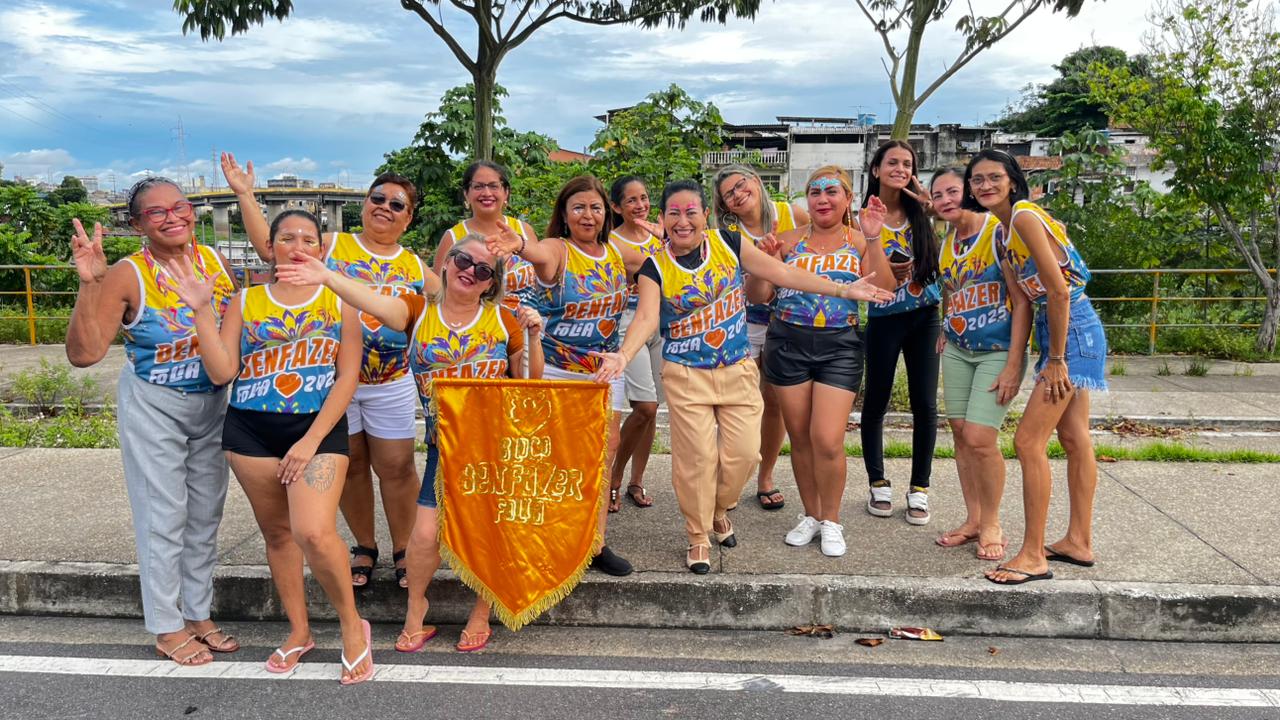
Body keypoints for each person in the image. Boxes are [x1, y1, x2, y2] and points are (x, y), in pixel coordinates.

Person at [593, 180, 894, 574]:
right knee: (696, 460)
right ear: (663, 220)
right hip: (686, 374)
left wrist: (842, 289)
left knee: (743, 455)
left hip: (736, 369)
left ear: (704, 215)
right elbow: (647, 317)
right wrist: (623, 354)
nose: (683, 221)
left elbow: (783, 273)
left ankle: (719, 510)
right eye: (673, 213)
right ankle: (698, 535)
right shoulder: (655, 266)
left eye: (691, 212)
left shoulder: (728, 244)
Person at [278, 232, 544, 654]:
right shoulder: (417, 310)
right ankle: (415, 611)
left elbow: (529, 384)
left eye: (482, 270)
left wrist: (533, 336)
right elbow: (372, 301)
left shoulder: (502, 319)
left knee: (491, 532)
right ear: (446, 262)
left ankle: (481, 612)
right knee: (423, 537)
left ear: (491, 283)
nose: (469, 272)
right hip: (445, 444)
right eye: (462, 260)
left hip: (496, 445)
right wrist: (328, 277)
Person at [165, 209, 373, 684]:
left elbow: (348, 377)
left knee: (315, 532)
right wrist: (201, 310)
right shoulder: (246, 301)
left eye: (308, 238)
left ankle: (351, 627)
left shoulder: (339, 301)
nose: (297, 245)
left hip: (316, 428)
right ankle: (299, 631)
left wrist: (311, 439)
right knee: (277, 535)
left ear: (321, 249)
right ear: (271, 246)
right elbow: (222, 372)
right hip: (250, 430)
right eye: (286, 237)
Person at [223, 153, 438, 591]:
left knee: (397, 468)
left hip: (389, 381)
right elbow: (273, 241)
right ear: (364, 203)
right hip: (331, 381)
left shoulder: (415, 265)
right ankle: (364, 545)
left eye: (397, 204)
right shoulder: (333, 245)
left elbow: (457, 295)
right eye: (377, 198)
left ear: (409, 217)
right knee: (352, 464)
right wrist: (245, 195)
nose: (385, 207)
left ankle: (402, 548)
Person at [66, 177, 240, 667]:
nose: (173, 218)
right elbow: (84, 354)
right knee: (164, 514)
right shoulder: (127, 274)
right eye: (157, 212)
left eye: (180, 207)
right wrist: (89, 283)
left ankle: (199, 613)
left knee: (206, 513)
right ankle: (167, 624)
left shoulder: (215, 262)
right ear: (137, 223)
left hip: (213, 402)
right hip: (155, 403)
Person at [961, 150, 1107, 585]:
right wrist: (1017, 362)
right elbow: (1023, 301)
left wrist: (1057, 359)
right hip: (1054, 327)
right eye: (977, 180)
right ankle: (1078, 541)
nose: (984, 186)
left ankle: (1032, 555)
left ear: (1012, 181)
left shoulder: (1024, 216)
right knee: (1075, 436)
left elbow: (1059, 292)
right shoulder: (1004, 234)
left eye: (993, 178)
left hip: (1072, 327)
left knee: (1028, 442)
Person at [487, 175, 639, 576]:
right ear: (564, 214)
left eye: (595, 207)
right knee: (550, 462)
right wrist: (518, 244)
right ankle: (547, 540)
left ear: (606, 211)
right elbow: (537, 252)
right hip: (555, 370)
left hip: (604, 370)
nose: (587, 215)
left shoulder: (616, 252)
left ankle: (595, 544)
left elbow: (662, 258)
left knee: (602, 457)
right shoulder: (558, 250)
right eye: (578, 207)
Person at [746, 166, 896, 557]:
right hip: (787, 343)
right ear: (806, 200)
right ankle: (811, 515)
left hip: (839, 346)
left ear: (847, 199)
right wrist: (765, 261)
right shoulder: (787, 240)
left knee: (827, 439)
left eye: (832, 192)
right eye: (815, 192)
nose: (823, 199)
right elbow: (759, 295)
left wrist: (876, 236)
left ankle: (832, 520)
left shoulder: (861, 242)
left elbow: (884, 288)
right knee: (799, 438)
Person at [930, 167, 1031, 562]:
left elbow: (1021, 300)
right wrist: (945, 323)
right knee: (959, 433)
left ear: (968, 191)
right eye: (937, 196)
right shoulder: (947, 241)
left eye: (953, 190)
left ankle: (992, 522)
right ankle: (972, 519)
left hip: (996, 350)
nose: (946, 200)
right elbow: (951, 290)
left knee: (980, 438)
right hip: (957, 348)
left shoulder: (998, 233)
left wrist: (1013, 362)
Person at [713, 164, 810, 511]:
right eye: (730, 194)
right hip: (743, 323)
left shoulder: (791, 212)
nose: (739, 194)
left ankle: (765, 476)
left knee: (774, 401)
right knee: (737, 403)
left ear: (756, 181)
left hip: (789, 319)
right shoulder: (726, 232)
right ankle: (731, 476)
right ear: (725, 206)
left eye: (741, 185)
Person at [858, 140, 942, 525]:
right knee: (876, 401)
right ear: (875, 169)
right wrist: (891, 273)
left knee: (925, 404)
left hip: (925, 314)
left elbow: (945, 259)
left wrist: (933, 211)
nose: (901, 168)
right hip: (883, 316)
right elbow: (867, 274)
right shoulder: (860, 218)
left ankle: (920, 488)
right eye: (892, 162)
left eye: (907, 163)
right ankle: (878, 482)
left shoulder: (921, 212)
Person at [606, 176, 665, 510]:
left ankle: (636, 481)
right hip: (630, 323)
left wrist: (667, 239)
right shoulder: (612, 242)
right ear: (616, 207)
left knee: (653, 408)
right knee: (646, 406)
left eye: (644, 198)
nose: (640, 205)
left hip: (663, 323)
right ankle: (614, 477)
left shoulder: (660, 236)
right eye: (631, 200)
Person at [435, 160, 541, 312]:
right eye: (478, 186)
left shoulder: (524, 231)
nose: (486, 193)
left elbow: (542, 280)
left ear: (506, 192)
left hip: (527, 328)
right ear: (466, 193)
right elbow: (439, 293)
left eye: (493, 186)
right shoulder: (453, 237)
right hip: (479, 330)